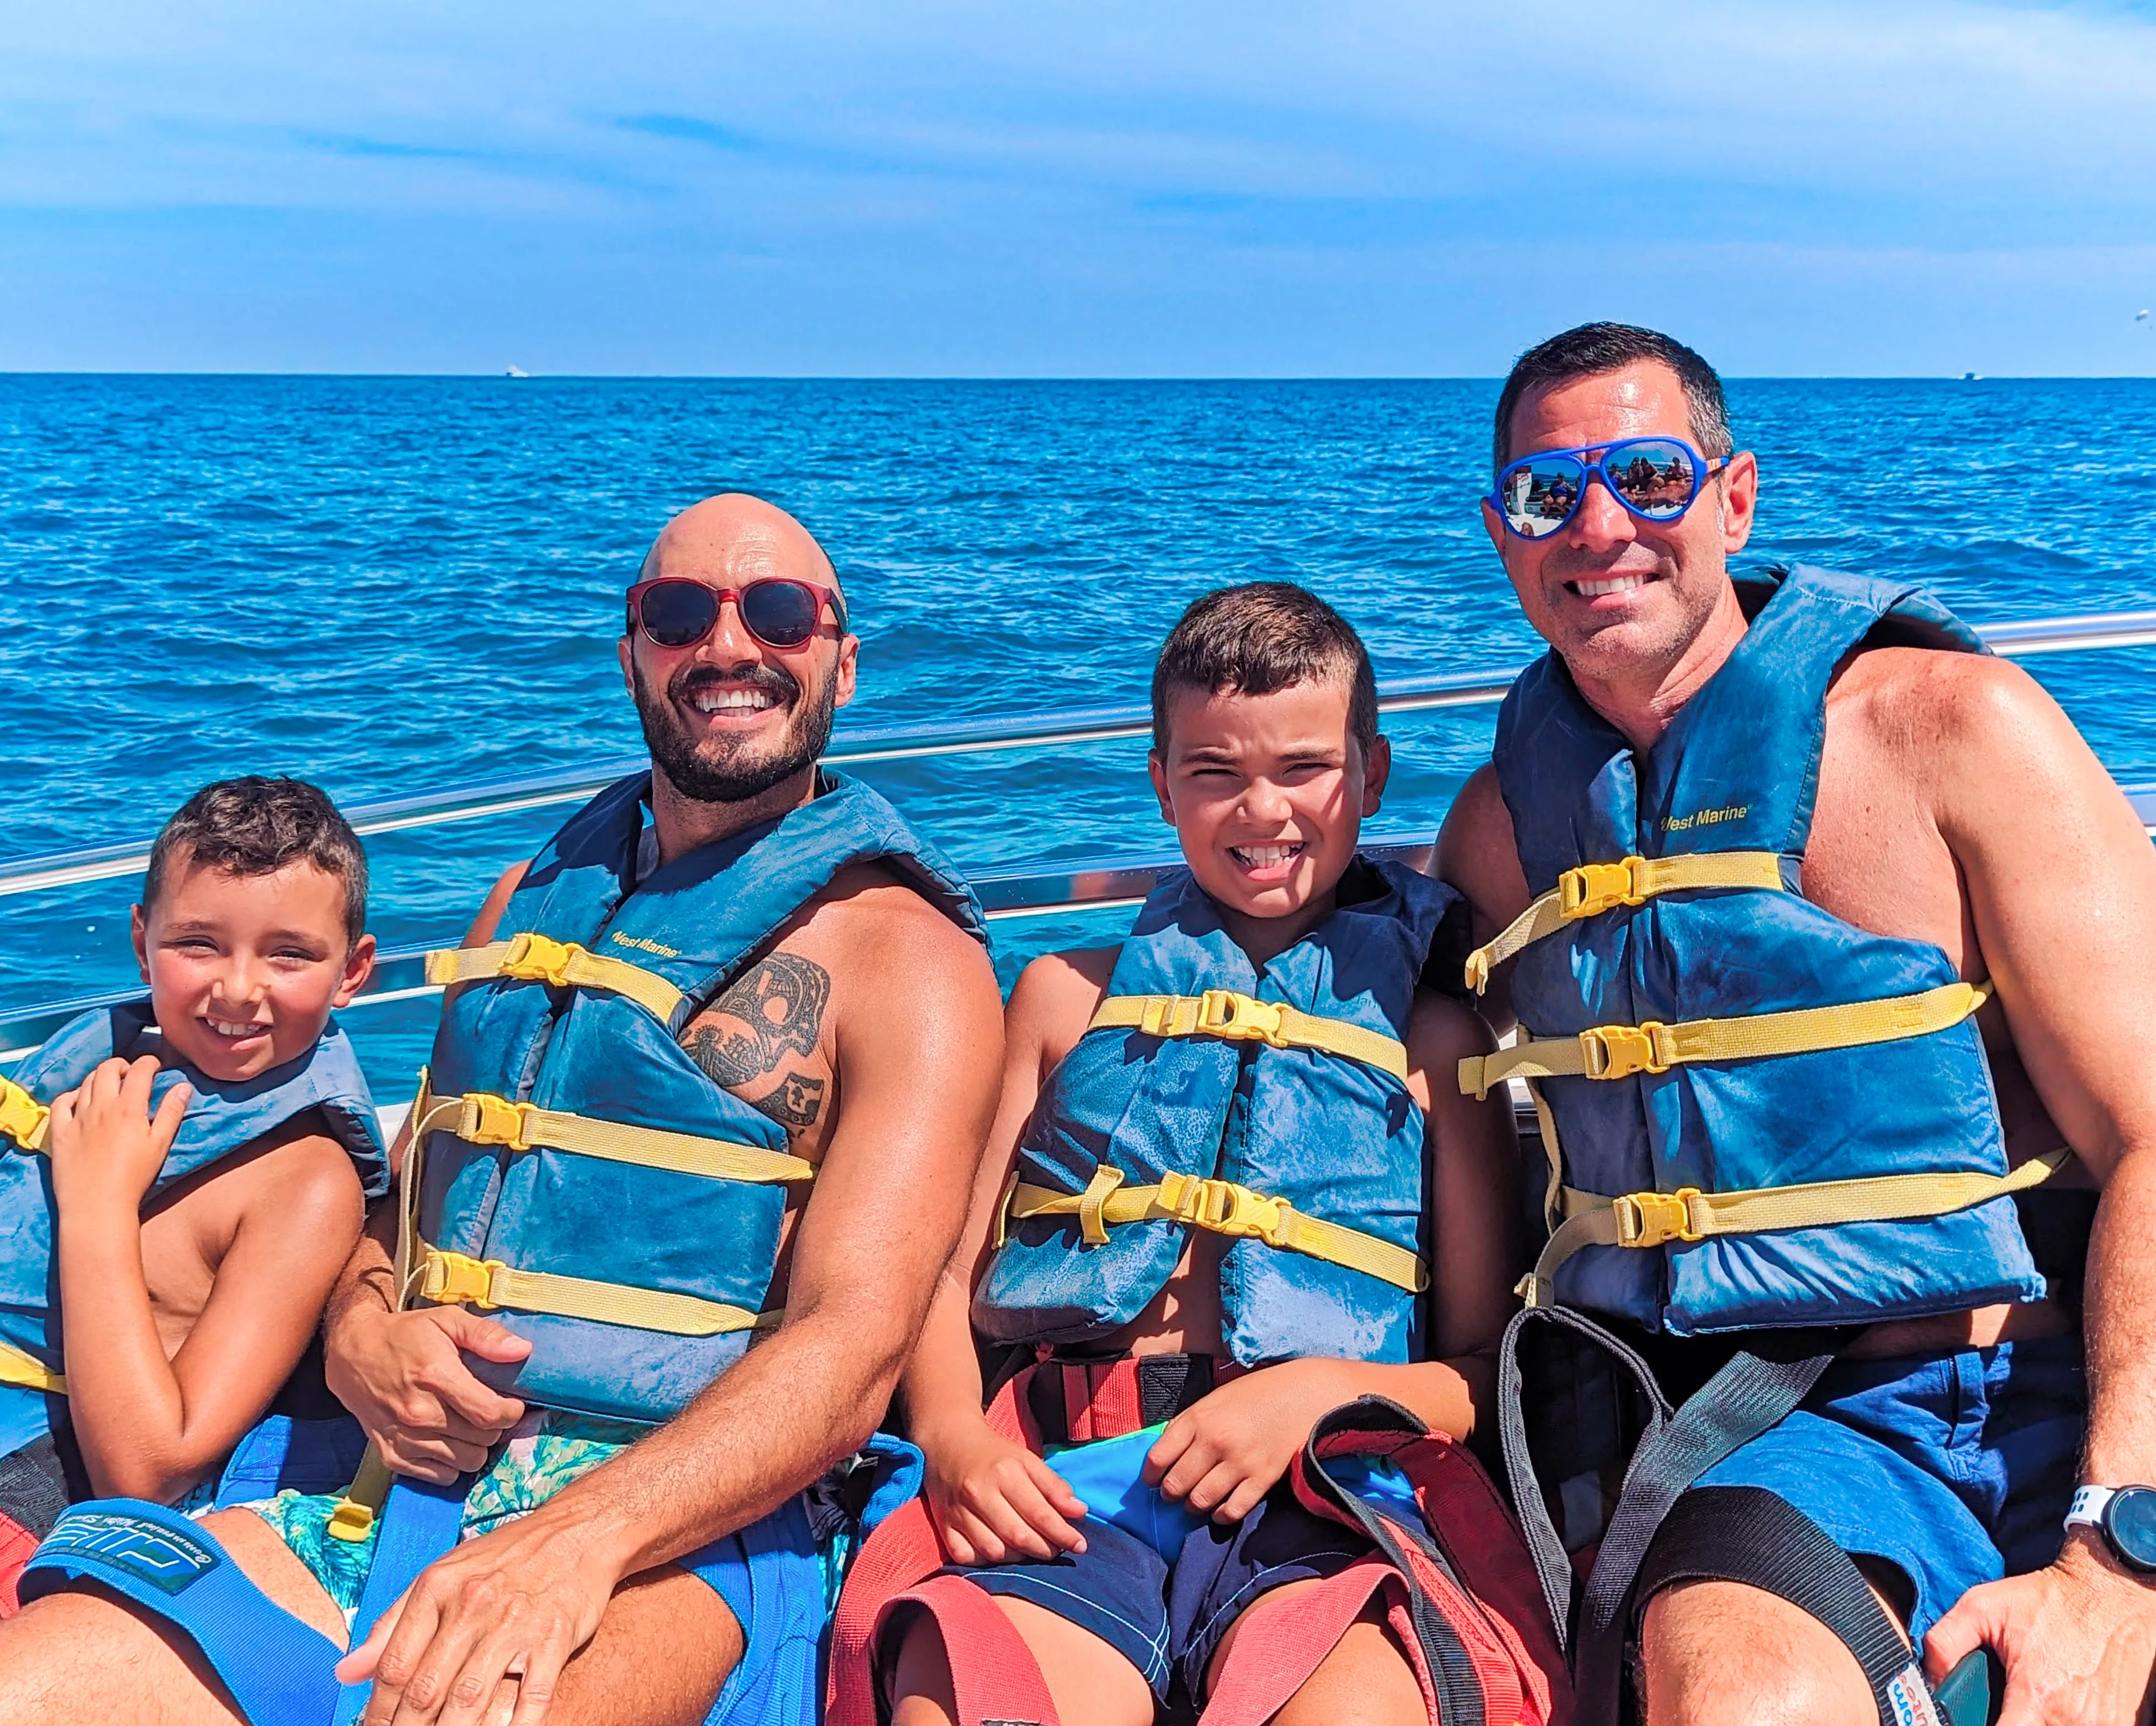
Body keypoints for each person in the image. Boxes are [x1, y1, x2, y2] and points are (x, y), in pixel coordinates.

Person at [0, 493, 1005, 1726]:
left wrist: (575, 1543)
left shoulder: (910, 963)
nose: (728, 647)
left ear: (842, 656)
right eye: (680, 614)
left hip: (684, 1535)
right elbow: (406, 1213)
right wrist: (360, 1336)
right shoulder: (530, 899)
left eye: (778, 612)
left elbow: (853, 1350)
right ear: (633, 653)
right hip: (387, 1488)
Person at [1436, 322, 2156, 1725]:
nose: (1599, 527)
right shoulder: (1497, 835)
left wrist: (2118, 1548)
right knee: (1731, 1685)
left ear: (1736, 498)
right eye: (1546, 493)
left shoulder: (1957, 731)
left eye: (1647, 477)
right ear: (1504, 532)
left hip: (2028, 1377)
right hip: (1732, 1420)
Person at [861, 584, 1537, 1725]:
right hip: (1062, 1491)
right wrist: (952, 1439)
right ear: (1161, 781)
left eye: (1305, 769)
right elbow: (935, 1272)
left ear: (1372, 775)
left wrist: (1317, 1394)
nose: (1260, 809)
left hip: (1323, 1495)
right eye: (1215, 771)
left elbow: (1480, 1368)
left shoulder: (1431, 1043)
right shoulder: (1060, 1003)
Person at [0, 776, 387, 1692]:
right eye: (198, 943)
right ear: (142, 942)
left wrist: (99, 1203)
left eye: (289, 955)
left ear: (354, 971)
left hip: (9, 1512)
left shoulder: (305, 1179)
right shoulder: (115, 1071)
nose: (238, 989)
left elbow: (149, 1472)